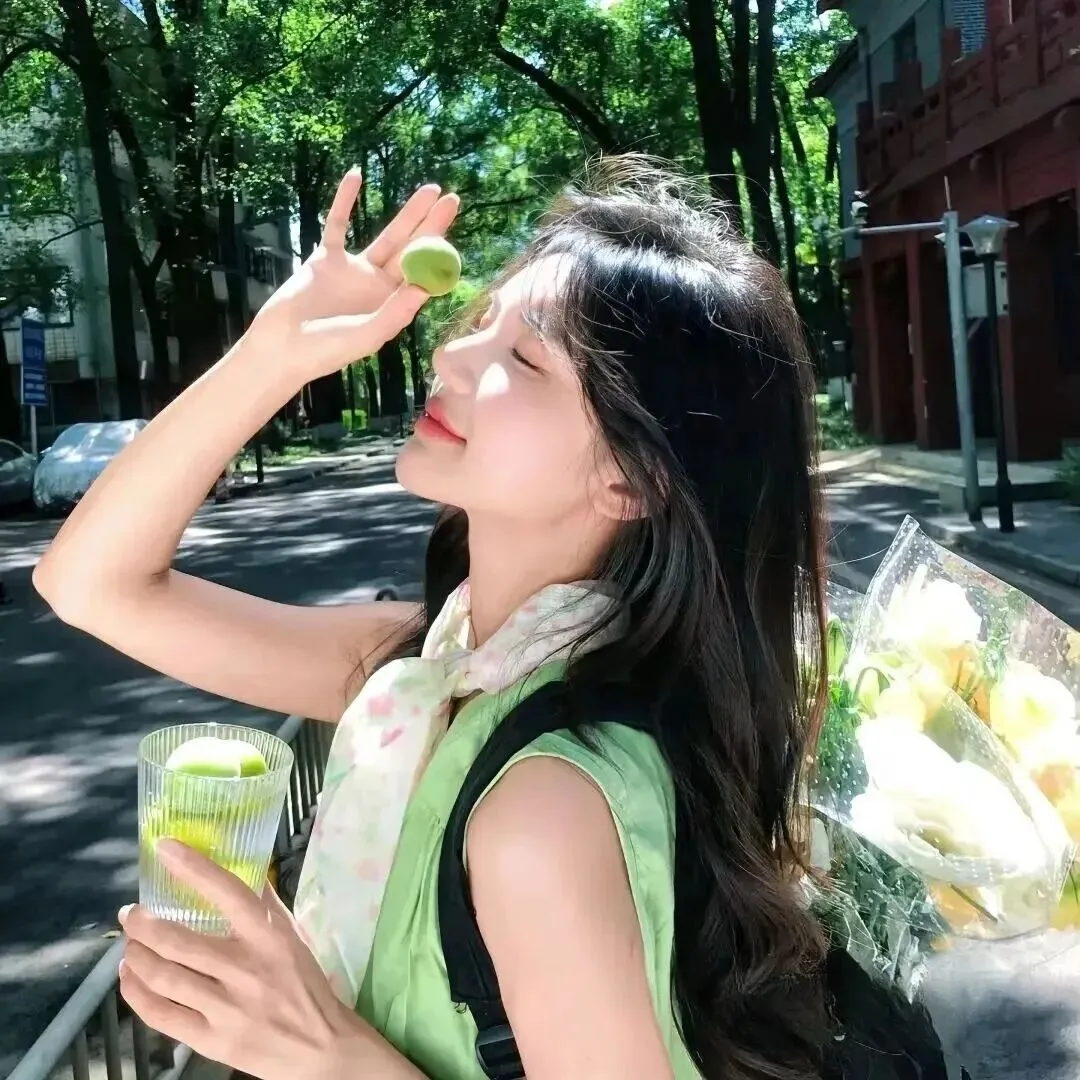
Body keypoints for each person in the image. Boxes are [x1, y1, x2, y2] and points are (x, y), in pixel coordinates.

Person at [32, 158, 938, 1080]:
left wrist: (329, 1054)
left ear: (633, 478)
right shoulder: (430, 671)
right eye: (478, 325)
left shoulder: (542, 811)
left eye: (525, 357)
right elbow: (92, 584)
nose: (448, 356)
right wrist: (275, 352)